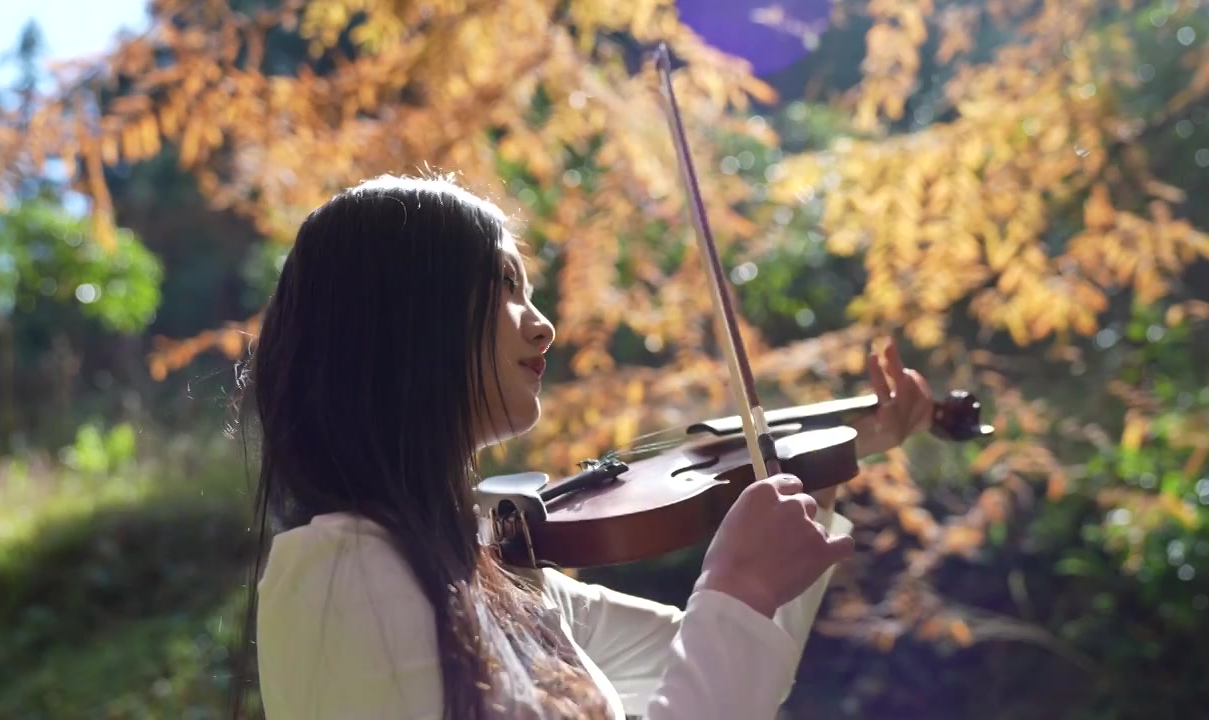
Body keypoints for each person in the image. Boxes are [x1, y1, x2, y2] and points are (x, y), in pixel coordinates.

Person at [233, 174, 936, 720]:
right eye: (506, 287)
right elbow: (730, 636)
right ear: (406, 318)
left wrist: (822, 461)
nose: (544, 328)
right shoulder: (340, 572)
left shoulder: (499, 576)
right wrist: (737, 587)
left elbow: (736, 664)